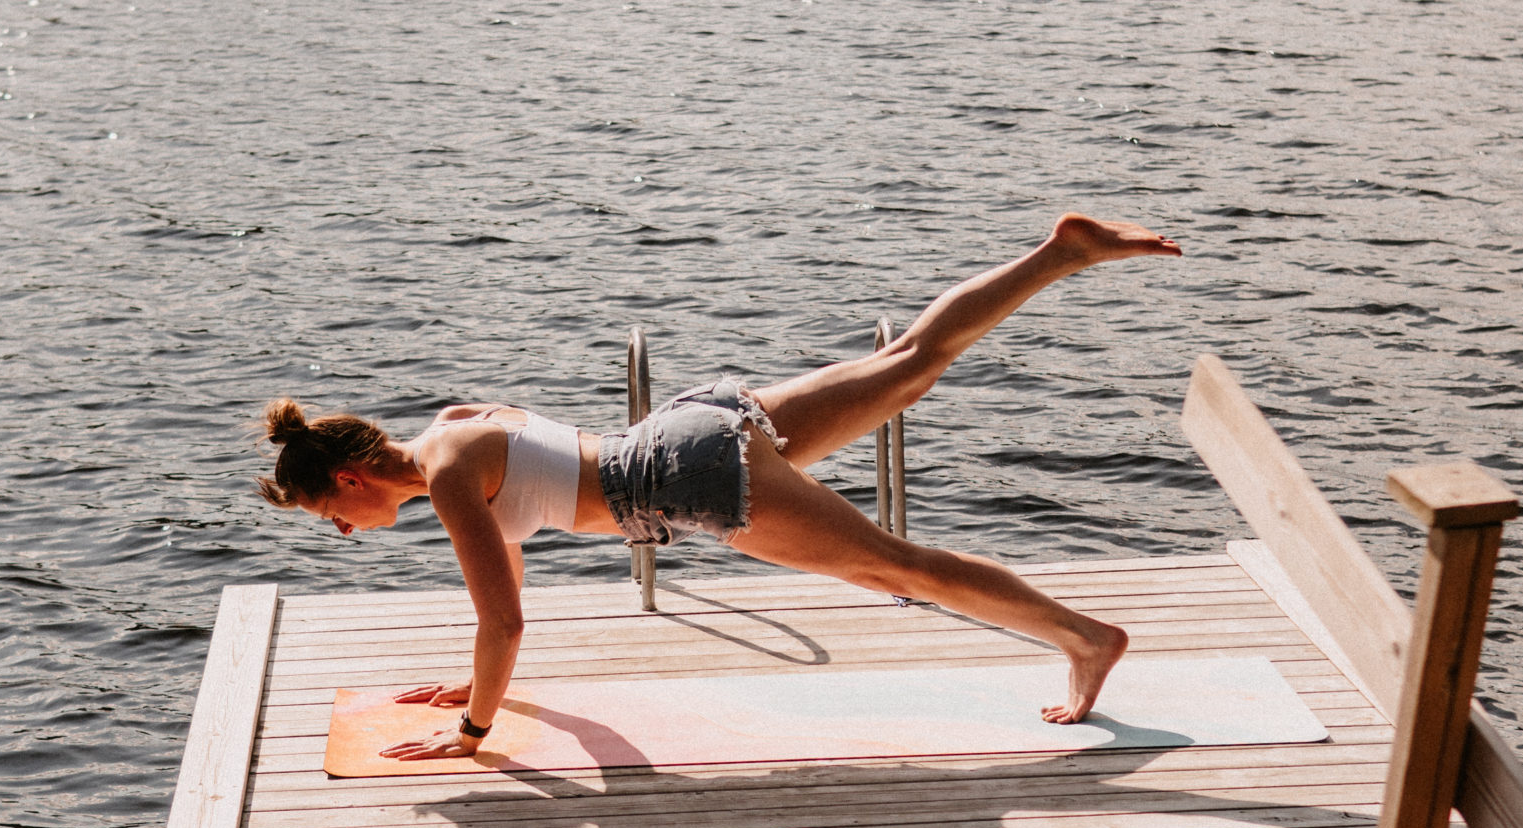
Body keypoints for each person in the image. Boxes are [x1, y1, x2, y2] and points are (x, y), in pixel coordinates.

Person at [257, 213, 1180, 760]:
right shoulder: (455, 425)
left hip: (685, 475)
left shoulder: (451, 479)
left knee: (897, 570)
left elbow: (503, 619)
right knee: (907, 360)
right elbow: (509, 564)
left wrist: (470, 730)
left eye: (329, 513)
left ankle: (1086, 638)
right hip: (694, 421)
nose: (342, 530)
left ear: (348, 476)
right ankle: (1062, 251)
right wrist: (474, 682)